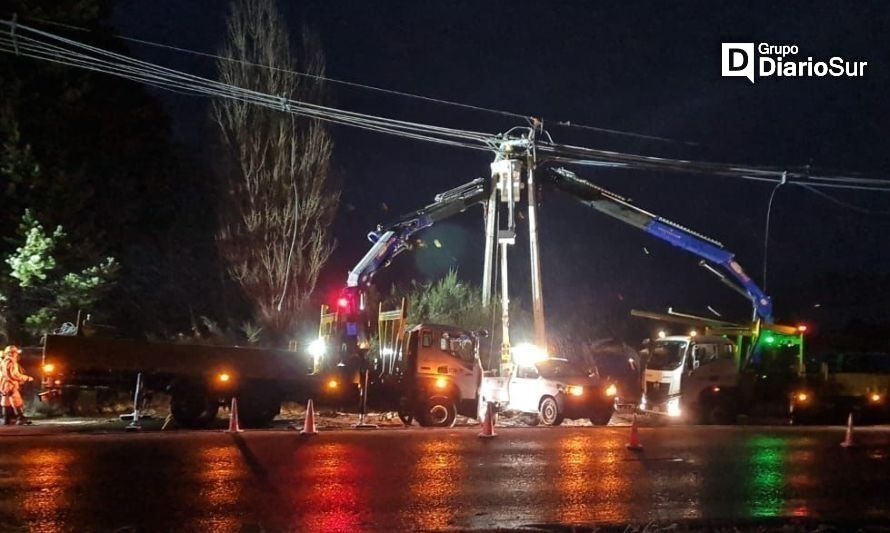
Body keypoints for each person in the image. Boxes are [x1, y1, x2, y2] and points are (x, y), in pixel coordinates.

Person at [1, 345, 34, 425]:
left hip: (3, 384)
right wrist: (27, 378)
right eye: (16, 353)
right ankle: (21, 418)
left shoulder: (3, 361)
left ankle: (6, 419)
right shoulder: (12, 362)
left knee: (6, 401)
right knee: (17, 401)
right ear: (12, 353)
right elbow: (14, 375)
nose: (17, 354)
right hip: (10, 384)